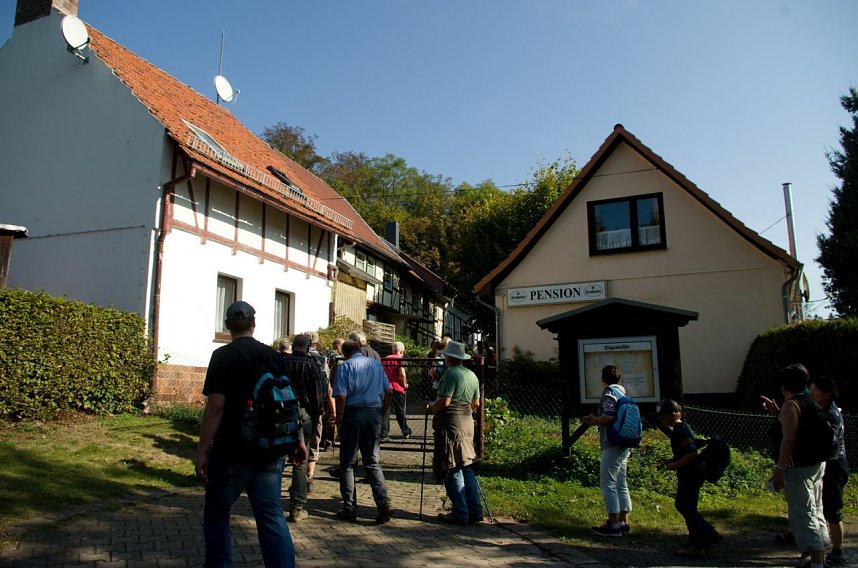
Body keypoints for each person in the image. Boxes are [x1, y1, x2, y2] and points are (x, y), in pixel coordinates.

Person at [195, 301, 307, 568]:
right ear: (254, 323)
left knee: (217, 515)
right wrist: (298, 439)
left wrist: (201, 451)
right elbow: (288, 401)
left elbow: (216, 407)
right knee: (270, 515)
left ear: (227, 326)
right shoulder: (272, 356)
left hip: (230, 451)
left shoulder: (222, 356)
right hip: (269, 449)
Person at [769, 363, 828, 568]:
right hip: (817, 463)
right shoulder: (810, 402)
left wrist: (779, 469)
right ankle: (820, 555)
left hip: (799, 466)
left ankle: (817, 561)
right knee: (816, 508)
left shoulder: (790, 405)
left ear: (784, 386)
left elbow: (788, 441)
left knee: (803, 512)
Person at [331, 339, 395, 524]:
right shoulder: (376, 365)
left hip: (353, 414)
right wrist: (381, 413)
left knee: (348, 463)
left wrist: (340, 418)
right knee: (373, 462)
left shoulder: (345, 367)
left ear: (345, 353)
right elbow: (389, 392)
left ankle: (349, 508)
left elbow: (341, 396)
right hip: (374, 414)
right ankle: (383, 504)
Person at [653, 399, 722, 559]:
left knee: (686, 506)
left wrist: (675, 465)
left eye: (662, 416)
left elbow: (692, 453)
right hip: (689, 473)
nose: (661, 419)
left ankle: (697, 546)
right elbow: (685, 451)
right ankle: (709, 533)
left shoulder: (680, 429)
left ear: (672, 414)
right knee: (685, 505)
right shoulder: (680, 428)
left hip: (690, 474)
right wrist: (674, 459)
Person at [427, 340, 484, 526]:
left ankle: (460, 512)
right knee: (466, 465)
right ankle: (475, 511)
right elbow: (476, 403)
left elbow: (444, 401)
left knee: (451, 466)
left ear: (449, 357)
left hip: (452, 422)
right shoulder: (472, 375)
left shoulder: (451, 374)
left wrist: (430, 407)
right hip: (468, 420)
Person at [280, 334, 326, 523]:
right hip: (303, 414)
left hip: (280, 412)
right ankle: (296, 507)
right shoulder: (312, 366)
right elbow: (317, 397)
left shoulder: (282, 364)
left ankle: (270, 503)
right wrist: (317, 421)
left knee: (277, 456)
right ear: (308, 347)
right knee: (301, 459)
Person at [583, 364, 632, 537]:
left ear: (603, 379)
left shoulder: (609, 394)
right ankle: (624, 521)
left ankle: (612, 524)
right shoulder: (623, 393)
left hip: (612, 443)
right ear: (619, 378)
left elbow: (609, 416)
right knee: (621, 482)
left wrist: (594, 420)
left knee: (608, 482)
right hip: (625, 441)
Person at [810, 375, 849, 566]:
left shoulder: (830, 414)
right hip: (828, 464)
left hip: (835, 465)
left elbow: (830, 443)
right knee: (823, 508)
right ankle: (826, 550)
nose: (811, 393)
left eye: (815, 390)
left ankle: (838, 552)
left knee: (833, 511)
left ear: (826, 394)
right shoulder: (823, 411)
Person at [303, 331, 333, 486]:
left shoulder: (291, 359)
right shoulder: (322, 359)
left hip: (296, 407)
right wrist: (332, 409)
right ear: (317, 342)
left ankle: (298, 476)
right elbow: (327, 386)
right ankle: (309, 475)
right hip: (316, 406)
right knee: (315, 439)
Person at [381, 341, 411, 442]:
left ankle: (384, 433)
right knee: (400, 411)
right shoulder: (400, 359)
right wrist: (404, 384)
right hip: (397, 388)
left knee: (385, 411)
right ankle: (405, 431)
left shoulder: (385, 359)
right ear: (401, 351)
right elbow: (402, 373)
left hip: (386, 388)